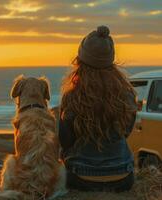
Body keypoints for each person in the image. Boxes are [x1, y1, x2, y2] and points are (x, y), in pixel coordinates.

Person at [59, 25, 137, 192]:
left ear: (79, 62)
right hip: (123, 177)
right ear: (111, 62)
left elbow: (65, 141)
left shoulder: (72, 97)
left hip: (80, 177)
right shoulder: (127, 94)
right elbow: (126, 132)